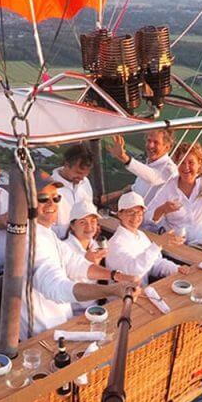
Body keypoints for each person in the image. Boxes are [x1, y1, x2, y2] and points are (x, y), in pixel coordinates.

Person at [24, 172, 137, 336]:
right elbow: (57, 287)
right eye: (43, 198)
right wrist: (112, 290)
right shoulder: (30, 240)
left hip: (60, 323)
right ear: (27, 202)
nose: (51, 203)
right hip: (40, 333)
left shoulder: (45, 232)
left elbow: (75, 263)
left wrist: (116, 275)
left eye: (56, 198)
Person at [146, 142, 202, 245]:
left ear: (199, 164)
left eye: (191, 162)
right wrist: (163, 209)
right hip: (174, 245)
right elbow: (147, 219)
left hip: (200, 246)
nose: (186, 167)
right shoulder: (168, 187)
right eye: (182, 162)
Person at [107, 191, 191, 285]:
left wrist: (176, 269)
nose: (135, 217)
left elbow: (155, 263)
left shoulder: (141, 236)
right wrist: (157, 244)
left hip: (142, 293)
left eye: (139, 213)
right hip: (122, 297)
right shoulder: (115, 244)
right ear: (120, 214)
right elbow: (132, 273)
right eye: (131, 212)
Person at [107, 129, 178, 207]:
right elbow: (134, 188)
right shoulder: (149, 164)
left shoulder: (169, 169)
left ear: (167, 147)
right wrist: (104, 199)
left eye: (156, 142)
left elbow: (153, 177)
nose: (150, 145)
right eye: (149, 141)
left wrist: (124, 158)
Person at [64, 200, 108, 314]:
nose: (89, 227)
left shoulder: (95, 245)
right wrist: (86, 262)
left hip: (96, 306)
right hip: (75, 313)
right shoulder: (64, 249)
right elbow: (66, 288)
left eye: (93, 221)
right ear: (72, 226)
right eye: (83, 222)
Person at [51, 143, 95, 238]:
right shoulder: (50, 188)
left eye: (85, 174)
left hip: (84, 240)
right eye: (78, 173)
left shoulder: (85, 182)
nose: (81, 177)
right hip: (60, 243)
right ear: (66, 165)